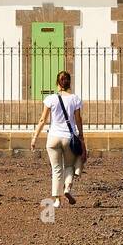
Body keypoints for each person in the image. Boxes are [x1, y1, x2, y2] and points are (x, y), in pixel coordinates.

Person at [31, 69, 87, 207]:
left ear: (57, 83)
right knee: (69, 166)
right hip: (68, 137)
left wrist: (34, 137)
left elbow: (42, 119)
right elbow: (78, 120)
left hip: (53, 138)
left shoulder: (50, 99)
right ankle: (67, 188)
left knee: (56, 169)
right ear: (69, 83)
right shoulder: (75, 99)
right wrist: (81, 136)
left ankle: (57, 200)